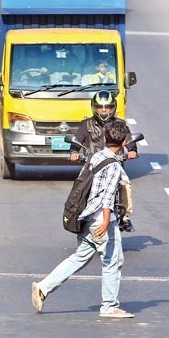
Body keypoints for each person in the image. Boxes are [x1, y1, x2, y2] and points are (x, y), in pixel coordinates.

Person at [31, 118, 134, 318]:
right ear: (123, 143)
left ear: (104, 138)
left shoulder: (96, 157)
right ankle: (109, 306)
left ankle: (43, 287)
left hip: (85, 216)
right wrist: (106, 221)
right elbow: (107, 197)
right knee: (112, 261)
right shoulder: (113, 166)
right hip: (100, 220)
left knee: (80, 257)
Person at [70, 91, 136, 163]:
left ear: (113, 107)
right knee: (84, 175)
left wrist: (132, 150)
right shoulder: (86, 124)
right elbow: (77, 139)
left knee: (122, 175)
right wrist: (74, 152)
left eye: (107, 107)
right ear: (94, 107)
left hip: (114, 162)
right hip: (91, 164)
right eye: (100, 107)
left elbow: (129, 139)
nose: (103, 110)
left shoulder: (120, 124)